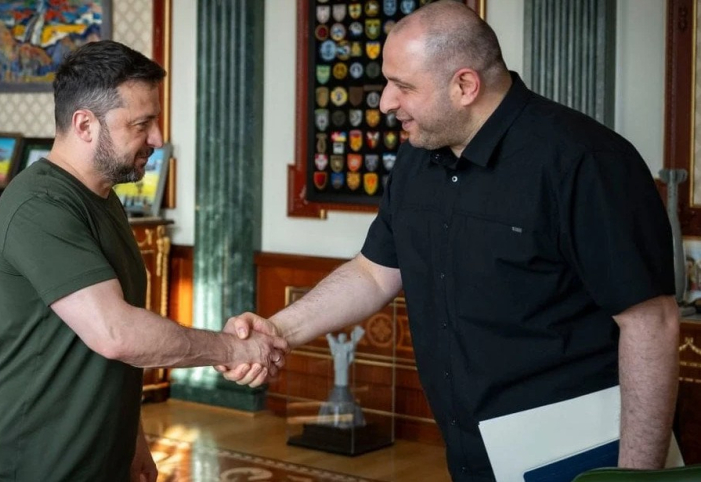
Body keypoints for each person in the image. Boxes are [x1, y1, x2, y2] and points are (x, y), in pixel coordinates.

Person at [217, 2, 680, 480]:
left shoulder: (585, 161)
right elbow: (373, 273)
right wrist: (278, 330)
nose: (385, 102)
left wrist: (636, 478)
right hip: (469, 447)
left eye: (403, 86)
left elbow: (650, 323)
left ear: (465, 86)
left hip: (582, 453)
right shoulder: (417, 158)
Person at [0, 40, 288, 482]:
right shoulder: (38, 205)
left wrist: (132, 440)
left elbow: (111, 350)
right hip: (33, 465)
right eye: (142, 124)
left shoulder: (103, 199)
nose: (157, 139)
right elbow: (116, 334)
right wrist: (233, 348)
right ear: (85, 125)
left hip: (101, 460)